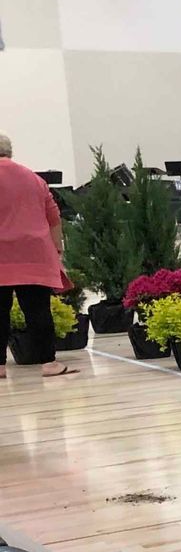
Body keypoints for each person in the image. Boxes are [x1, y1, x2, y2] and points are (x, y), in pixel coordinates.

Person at [0, 132, 76, 380]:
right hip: (34, 253)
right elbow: (54, 217)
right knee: (38, 310)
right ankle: (49, 364)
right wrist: (57, 250)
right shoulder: (33, 179)